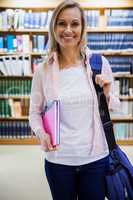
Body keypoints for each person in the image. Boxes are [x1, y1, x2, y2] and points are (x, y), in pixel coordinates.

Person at [29, 1, 120, 200]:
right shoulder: (43, 70)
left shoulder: (99, 63)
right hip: (58, 161)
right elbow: (34, 112)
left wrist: (106, 93)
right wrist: (40, 133)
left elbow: (114, 106)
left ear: (83, 27)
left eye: (74, 24)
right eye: (62, 23)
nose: (68, 30)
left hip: (96, 159)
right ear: (53, 27)